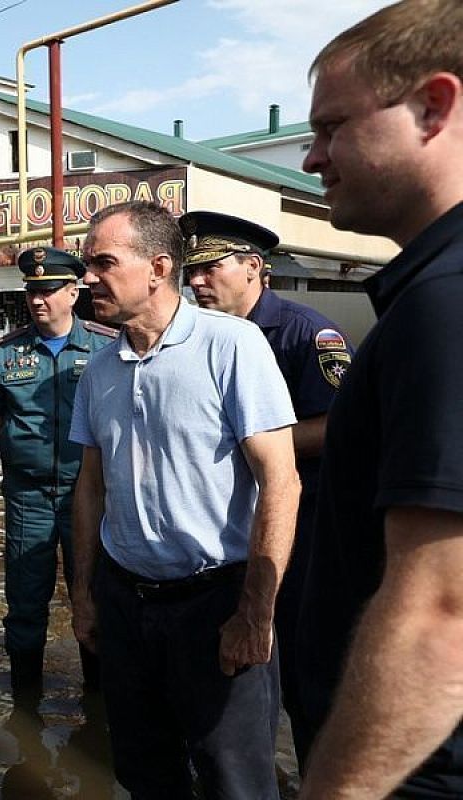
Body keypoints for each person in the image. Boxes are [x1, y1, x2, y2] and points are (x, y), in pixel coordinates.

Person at [68, 201, 301, 799]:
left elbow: (281, 480)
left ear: (158, 267)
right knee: (145, 772)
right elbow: (90, 488)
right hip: (126, 603)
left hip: (216, 602)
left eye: (103, 262)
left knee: (236, 780)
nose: (86, 277)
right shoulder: (100, 369)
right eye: (86, 263)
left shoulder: (232, 346)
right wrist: (85, 596)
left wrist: (256, 612)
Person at [295, 2, 463, 796]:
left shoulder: (447, 303)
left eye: (331, 128)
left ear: (434, 106)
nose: (310, 158)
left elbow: (442, 614)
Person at [180, 209, 353, 767]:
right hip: (228, 541)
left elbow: (339, 425)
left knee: (308, 684)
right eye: (192, 272)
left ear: (253, 267)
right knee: (229, 680)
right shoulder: (198, 338)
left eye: (210, 269)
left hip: (300, 542)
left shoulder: (306, 333)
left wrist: (249, 442)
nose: (197, 282)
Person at [0, 246, 114, 709]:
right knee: (25, 603)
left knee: (91, 597)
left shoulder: (105, 345)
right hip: (27, 497)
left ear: (74, 292)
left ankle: (98, 698)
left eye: (49, 289)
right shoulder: (10, 351)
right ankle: (24, 707)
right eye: (32, 290)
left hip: (87, 497)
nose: (38, 299)